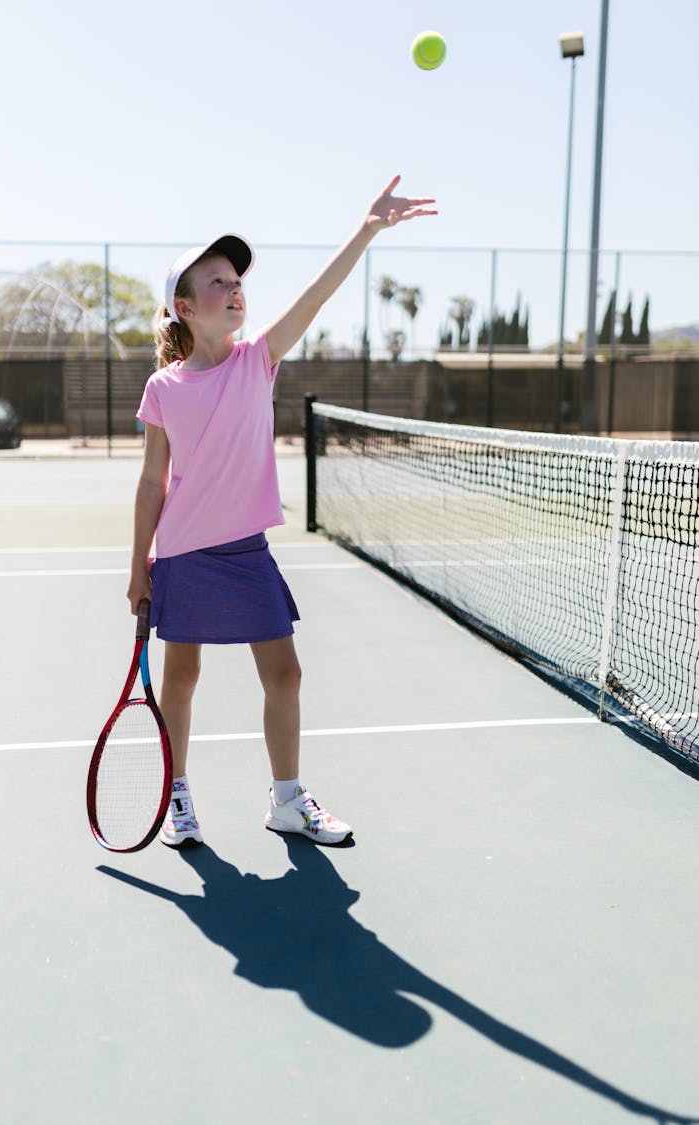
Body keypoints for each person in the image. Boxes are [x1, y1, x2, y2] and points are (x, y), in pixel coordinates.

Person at [127, 175, 437, 849]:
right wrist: (138, 567)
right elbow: (152, 480)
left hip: (247, 553)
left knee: (286, 674)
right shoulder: (163, 388)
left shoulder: (257, 359)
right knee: (181, 676)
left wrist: (369, 228)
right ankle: (177, 795)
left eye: (237, 279)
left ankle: (288, 801)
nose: (234, 287)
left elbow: (316, 294)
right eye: (216, 281)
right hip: (182, 553)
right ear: (183, 305)